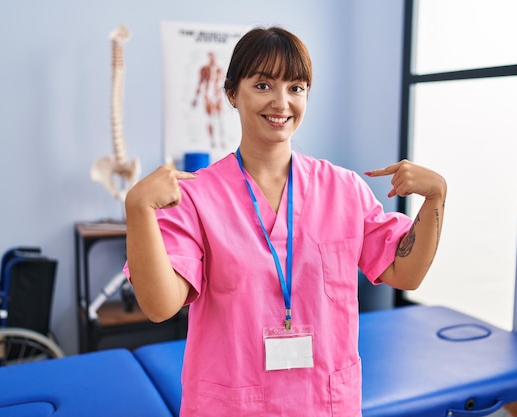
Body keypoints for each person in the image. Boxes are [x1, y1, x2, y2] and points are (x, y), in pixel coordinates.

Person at [124, 26, 446, 417]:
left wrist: (435, 197)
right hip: (233, 405)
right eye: (263, 85)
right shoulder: (196, 195)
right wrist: (138, 209)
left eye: (296, 87)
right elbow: (160, 306)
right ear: (231, 93)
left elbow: (405, 273)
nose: (281, 102)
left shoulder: (343, 188)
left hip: (324, 403)